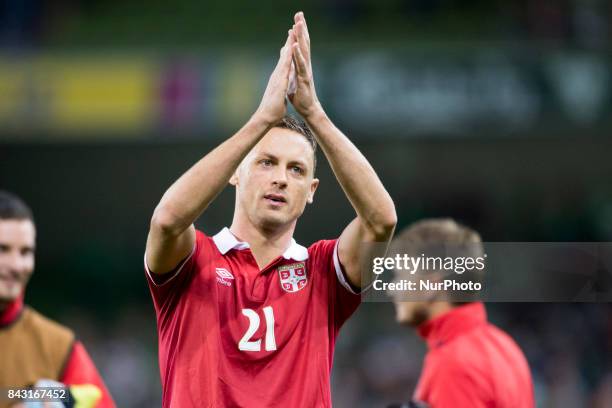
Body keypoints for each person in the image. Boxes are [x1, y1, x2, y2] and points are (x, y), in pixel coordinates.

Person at [144, 11, 396, 408]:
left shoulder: (322, 274)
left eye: (296, 170)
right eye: (266, 162)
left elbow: (382, 220)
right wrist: (263, 118)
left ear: (311, 191)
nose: (280, 178)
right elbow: (167, 220)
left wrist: (314, 113)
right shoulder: (195, 261)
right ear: (235, 173)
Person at [389, 218, 534, 408]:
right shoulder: (505, 345)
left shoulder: (453, 364)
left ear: (431, 284)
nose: (392, 288)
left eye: (402, 277)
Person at [0, 190, 115, 408]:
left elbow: (97, 400)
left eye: (25, 252)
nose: (16, 265)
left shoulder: (57, 346)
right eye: (2, 249)